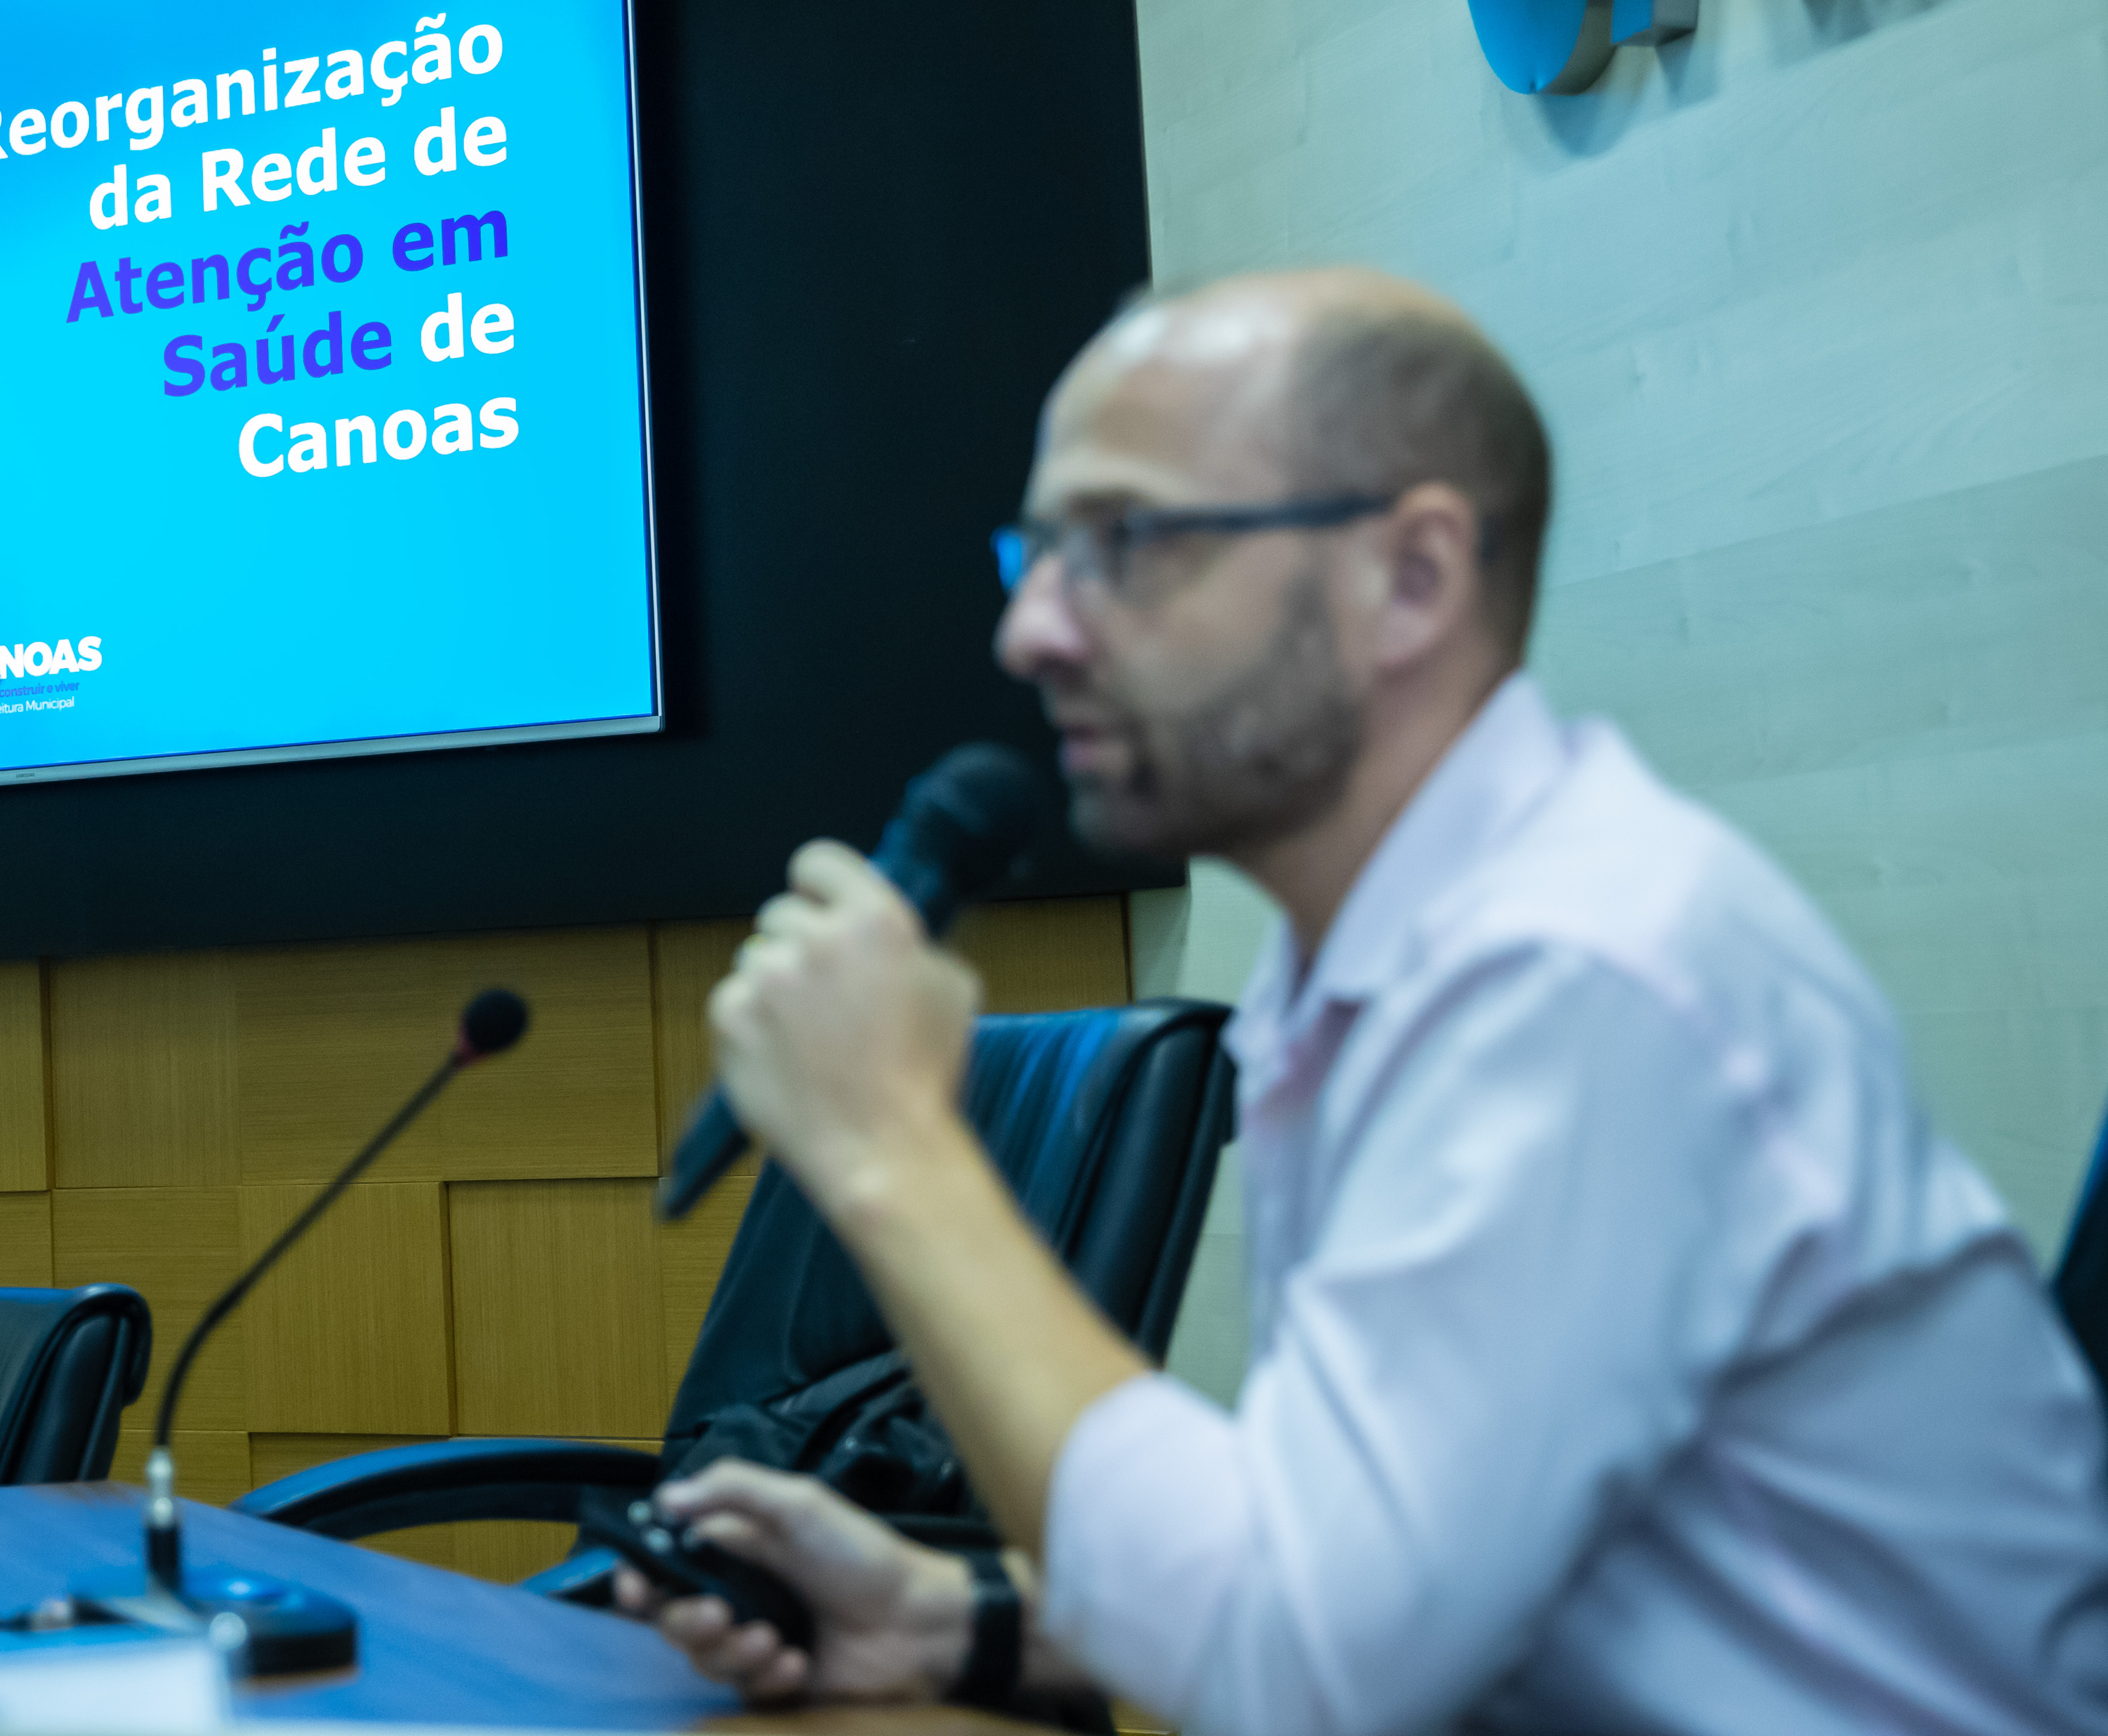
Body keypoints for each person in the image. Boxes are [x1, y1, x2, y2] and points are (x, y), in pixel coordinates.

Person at [616, 270, 2108, 1731]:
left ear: (1412, 580)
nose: (1033, 634)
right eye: (1042, 552)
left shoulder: (1578, 971)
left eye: (1127, 543)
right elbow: (1381, 1569)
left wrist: (891, 1145)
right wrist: (956, 1616)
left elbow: (1314, 1681)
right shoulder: (1374, 959)